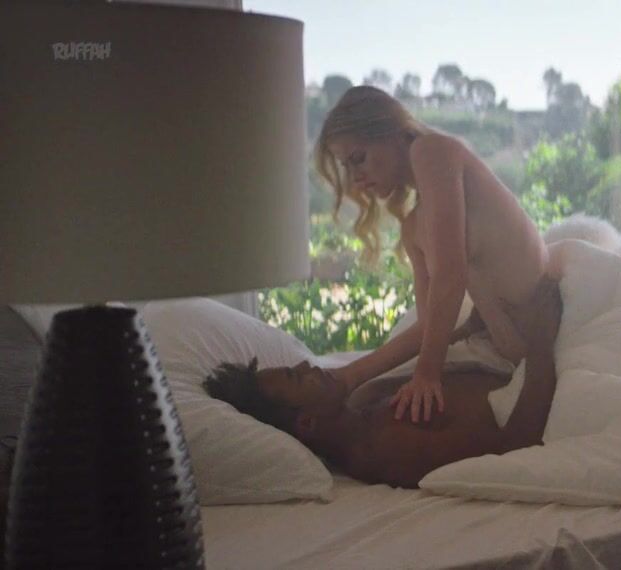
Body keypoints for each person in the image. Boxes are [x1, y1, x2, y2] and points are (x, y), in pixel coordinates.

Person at [314, 86, 554, 423]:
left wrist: (427, 374)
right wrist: (348, 377)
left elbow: (450, 274)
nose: (354, 179)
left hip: (553, 332)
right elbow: (426, 327)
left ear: (391, 132)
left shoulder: (431, 151)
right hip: (513, 357)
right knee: (365, 399)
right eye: (346, 167)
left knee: (397, 407)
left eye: (357, 158)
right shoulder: (413, 227)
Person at [203, 278, 563, 489]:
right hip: (551, 389)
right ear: (307, 423)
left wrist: (471, 328)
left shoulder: (363, 401)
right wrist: (542, 341)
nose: (307, 364)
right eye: (298, 377)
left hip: (516, 362)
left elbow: (440, 366)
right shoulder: (385, 449)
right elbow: (516, 446)